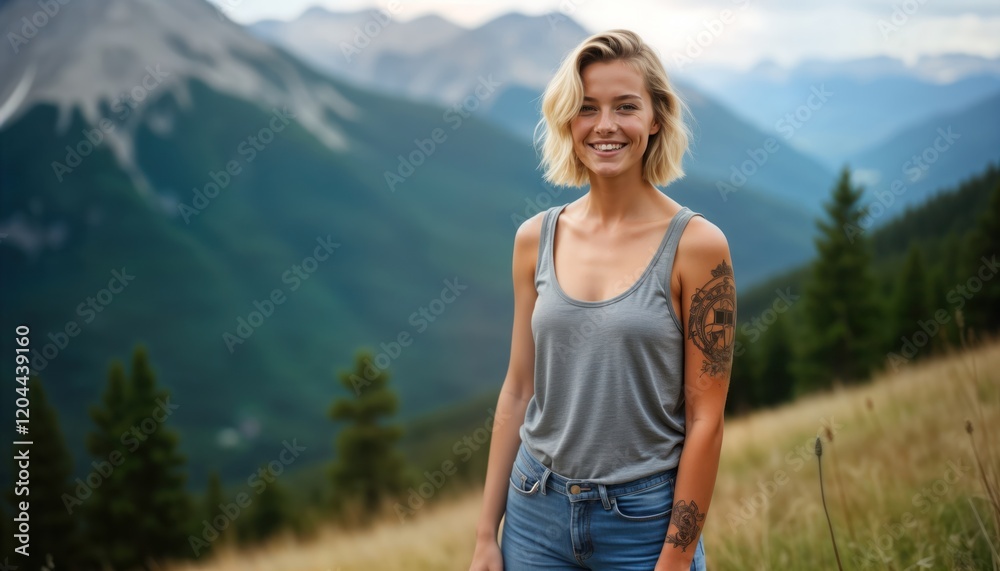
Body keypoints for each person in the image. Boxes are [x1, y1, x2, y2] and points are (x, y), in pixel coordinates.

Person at [468, 29, 734, 571]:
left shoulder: (698, 247)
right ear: (569, 120)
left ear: (656, 118)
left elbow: (707, 419)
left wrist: (677, 559)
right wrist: (484, 536)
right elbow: (519, 389)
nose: (605, 125)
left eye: (626, 106)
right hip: (533, 512)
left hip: (644, 522)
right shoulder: (534, 239)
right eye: (587, 108)